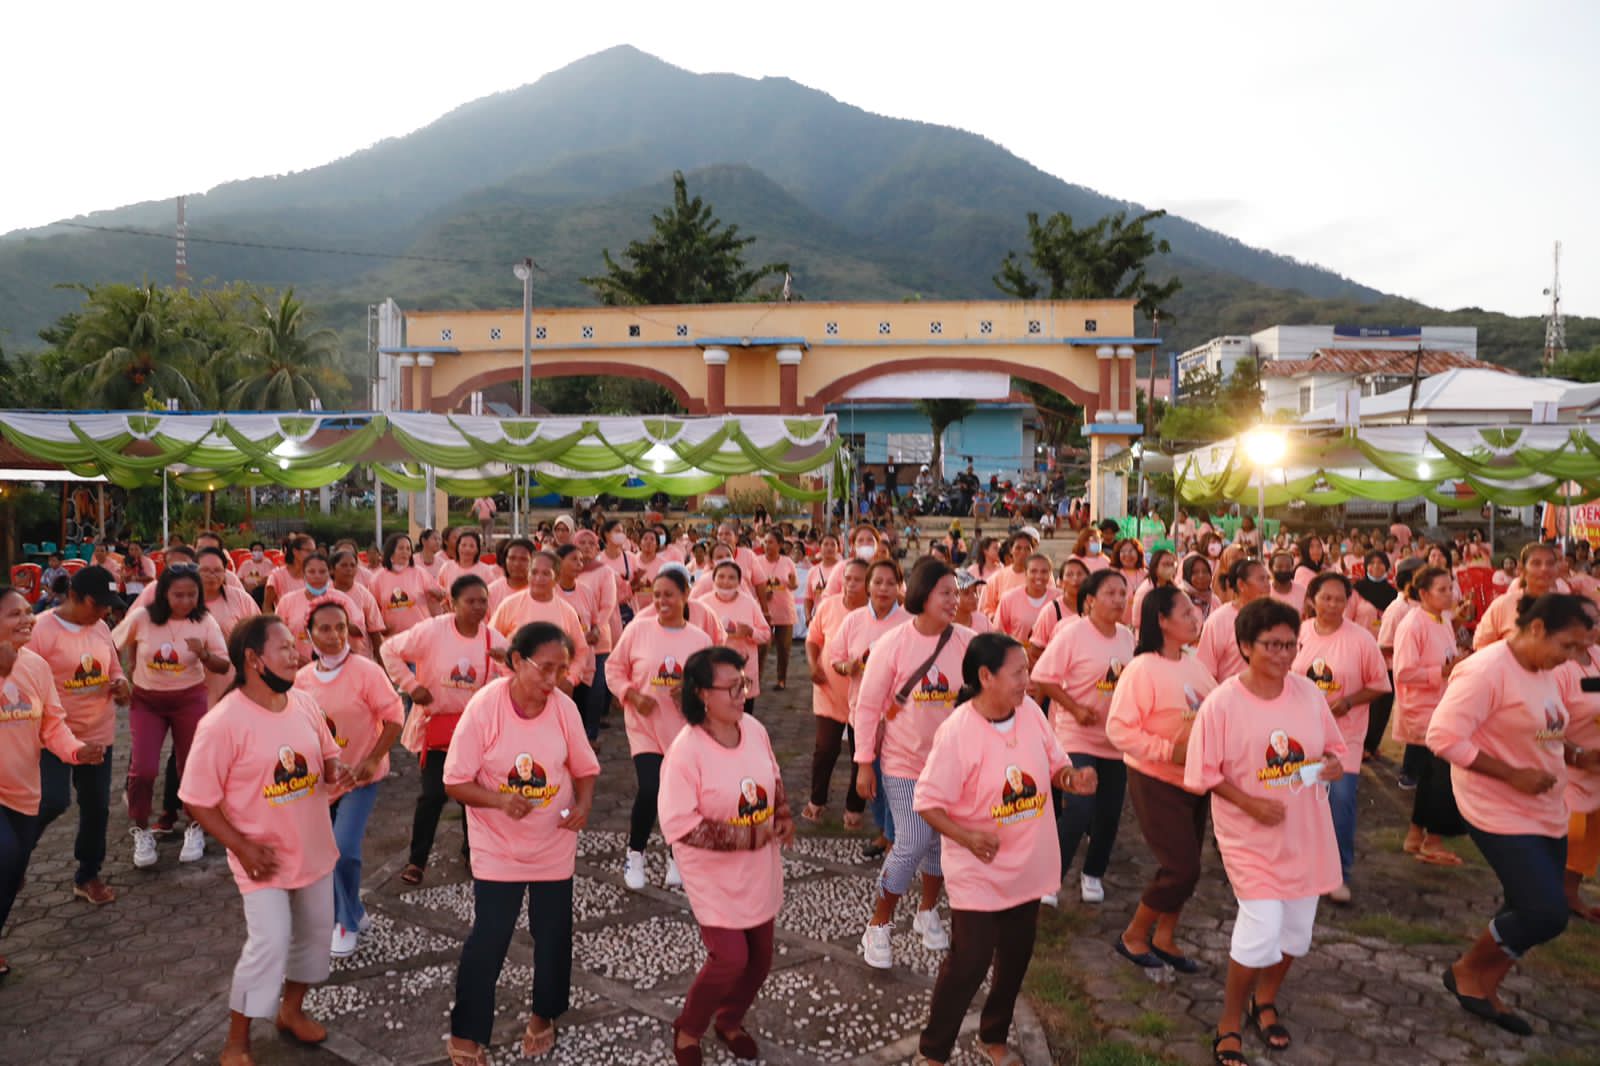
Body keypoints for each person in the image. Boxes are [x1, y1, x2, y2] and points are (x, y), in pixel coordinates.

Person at [912, 634, 1096, 1066]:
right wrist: (970, 838)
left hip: (1027, 864)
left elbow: (1055, 764)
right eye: (1018, 673)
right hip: (978, 867)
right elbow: (927, 803)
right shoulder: (957, 732)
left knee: (1015, 957)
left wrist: (1073, 780)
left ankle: (993, 1036)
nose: (1027, 682)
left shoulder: (1030, 712)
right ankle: (932, 1052)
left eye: (1027, 671)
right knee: (968, 962)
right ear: (985, 676)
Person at [180, 614, 355, 1066]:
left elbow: (328, 754)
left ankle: (290, 1011)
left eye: (294, 645)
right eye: (284, 647)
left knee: (316, 937)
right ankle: (236, 1040)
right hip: (262, 859)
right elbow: (196, 801)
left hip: (314, 846)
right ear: (253, 659)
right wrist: (240, 845)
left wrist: (338, 772)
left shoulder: (303, 703)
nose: (296, 653)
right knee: (270, 942)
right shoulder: (222, 723)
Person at [1185, 598, 1346, 1066]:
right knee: (1262, 926)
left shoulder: (1308, 694)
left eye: (1289, 644)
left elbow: (1333, 749)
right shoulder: (1223, 704)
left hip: (1306, 832)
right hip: (1249, 836)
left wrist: (1332, 765)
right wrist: (1250, 802)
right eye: (1270, 644)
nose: (1281, 654)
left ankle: (1266, 998)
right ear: (1244, 646)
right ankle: (1229, 1021)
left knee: (1296, 933)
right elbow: (1203, 774)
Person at [1428, 593, 1598, 1036]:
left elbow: (1544, 729)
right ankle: (1467, 972)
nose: (1577, 658)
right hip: (1497, 809)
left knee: (1521, 905)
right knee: (1546, 912)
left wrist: (1578, 754)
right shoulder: (1485, 671)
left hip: (1545, 807)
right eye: (1571, 646)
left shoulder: (1545, 668)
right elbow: (1443, 737)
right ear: (1538, 629)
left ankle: (1484, 986)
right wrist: (1513, 774)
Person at [442, 622, 598, 1064]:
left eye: (561, 670)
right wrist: (497, 800)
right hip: (497, 846)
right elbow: (454, 781)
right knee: (489, 937)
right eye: (544, 669)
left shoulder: (564, 709)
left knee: (553, 935)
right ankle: (467, 1035)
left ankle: (544, 1014)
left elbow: (584, 768)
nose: (553, 681)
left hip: (552, 842)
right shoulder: (484, 709)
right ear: (514, 662)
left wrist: (583, 804)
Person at [659, 646, 794, 1066]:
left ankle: (730, 1019)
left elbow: (771, 775)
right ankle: (690, 1027)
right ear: (701, 694)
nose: (741, 693)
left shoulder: (753, 728)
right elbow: (680, 824)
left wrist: (783, 813)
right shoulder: (686, 750)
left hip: (758, 870)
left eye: (744, 683)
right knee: (730, 957)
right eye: (731, 687)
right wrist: (749, 836)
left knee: (760, 960)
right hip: (714, 875)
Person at [853, 558, 972, 968]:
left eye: (957, 593)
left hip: (951, 767)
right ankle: (879, 924)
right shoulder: (893, 644)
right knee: (913, 840)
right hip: (903, 763)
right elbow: (867, 709)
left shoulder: (969, 642)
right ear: (922, 595)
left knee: (942, 842)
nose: (954, 601)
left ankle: (926, 911)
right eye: (946, 593)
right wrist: (864, 762)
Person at [1105, 585, 1217, 973]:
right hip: (1156, 779)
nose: (1195, 618)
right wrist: (1169, 751)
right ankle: (1133, 936)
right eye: (1185, 613)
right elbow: (1119, 730)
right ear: (1162, 621)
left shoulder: (1194, 663)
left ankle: (1165, 936)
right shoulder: (1142, 669)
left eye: (1195, 611)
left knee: (1188, 865)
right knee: (1181, 867)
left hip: (1194, 780)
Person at [0, 586, 106, 976]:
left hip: (24, 792)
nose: (27, 619)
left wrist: (77, 751)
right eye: (15, 614)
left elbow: (53, 726)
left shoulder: (36, 667)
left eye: (29, 611)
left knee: (12, 873)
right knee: (6, 857)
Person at [380, 574, 509, 886]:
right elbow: (389, 650)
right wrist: (411, 686)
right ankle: (417, 860)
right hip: (437, 729)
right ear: (452, 602)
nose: (478, 607)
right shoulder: (433, 631)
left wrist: (510, 663)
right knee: (433, 795)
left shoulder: (493, 639)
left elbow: (516, 672)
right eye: (470, 601)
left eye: (483, 601)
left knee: (474, 796)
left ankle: (472, 852)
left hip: (477, 732)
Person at [294, 600, 403, 958]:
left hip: (359, 776)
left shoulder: (365, 671)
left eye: (340, 627)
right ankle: (353, 908)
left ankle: (344, 923)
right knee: (323, 854)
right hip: (320, 781)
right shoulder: (302, 679)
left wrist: (374, 759)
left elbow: (394, 717)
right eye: (324, 628)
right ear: (309, 634)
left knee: (343, 850)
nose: (334, 635)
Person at [1032, 568, 1135, 905]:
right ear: (1090, 601)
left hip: (1114, 740)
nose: (1119, 600)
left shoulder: (1126, 637)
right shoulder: (1072, 634)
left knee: (1108, 812)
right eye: (1110, 593)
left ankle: (1093, 873)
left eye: (1123, 593)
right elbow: (1043, 677)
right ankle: (1049, 879)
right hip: (1076, 734)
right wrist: (1074, 708)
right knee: (1078, 806)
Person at [606, 569, 713, 891]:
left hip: (684, 730)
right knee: (651, 789)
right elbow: (613, 668)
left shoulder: (700, 639)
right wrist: (632, 695)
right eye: (656, 595)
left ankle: (675, 856)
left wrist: (692, 692)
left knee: (680, 795)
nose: (662, 601)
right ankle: (635, 854)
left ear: (685, 595)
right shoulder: (638, 630)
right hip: (644, 727)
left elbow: (712, 682)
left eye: (669, 594)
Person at [119, 565, 230, 869]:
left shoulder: (204, 621)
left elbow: (223, 665)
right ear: (163, 594)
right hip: (147, 702)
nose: (184, 601)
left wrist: (204, 655)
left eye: (191, 595)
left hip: (188, 700)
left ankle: (194, 826)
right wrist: (122, 674)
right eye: (177, 595)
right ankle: (141, 829)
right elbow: (113, 643)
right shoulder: (143, 618)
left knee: (191, 766)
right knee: (143, 769)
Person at [30, 567, 128, 905]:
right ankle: (13, 856)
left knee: (97, 806)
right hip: (52, 737)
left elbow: (114, 668)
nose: (104, 612)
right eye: (97, 604)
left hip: (96, 734)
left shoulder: (100, 627)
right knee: (50, 801)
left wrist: (121, 685)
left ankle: (88, 875)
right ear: (73, 597)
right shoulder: (40, 631)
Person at [1291, 573, 1390, 902]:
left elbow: (1380, 685)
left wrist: (1349, 701)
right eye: (1325, 598)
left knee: (1341, 803)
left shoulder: (1361, 640)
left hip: (1343, 739)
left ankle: (1338, 874)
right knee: (1301, 803)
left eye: (1339, 599)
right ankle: (1302, 869)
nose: (1332, 605)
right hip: (1302, 738)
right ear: (1312, 600)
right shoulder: (1300, 633)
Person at [1393, 566, 1470, 866]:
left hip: (1443, 706)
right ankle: (1432, 840)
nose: (1449, 594)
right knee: (1440, 778)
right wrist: (1441, 671)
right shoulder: (1413, 624)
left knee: (1430, 776)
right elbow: (1404, 672)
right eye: (1442, 590)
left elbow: (1445, 659)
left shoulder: (1442, 620)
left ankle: (1416, 836)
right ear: (1423, 593)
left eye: (1450, 588)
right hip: (1423, 711)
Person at [803, 558, 869, 826]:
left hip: (862, 698)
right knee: (825, 749)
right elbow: (813, 639)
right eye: (847, 578)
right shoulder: (828, 606)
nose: (850, 584)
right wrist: (812, 665)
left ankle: (855, 807)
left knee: (860, 753)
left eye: (858, 580)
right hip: (828, 690)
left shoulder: (873, 614)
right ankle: (816, 800)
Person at [1555, 602, 1600, 921]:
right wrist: (1576, 754)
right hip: (1566, 766)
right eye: (1586, 622)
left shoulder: (1597, 656)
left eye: (1596, 621)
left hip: (1596, 768)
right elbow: (1539, 731)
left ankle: (1570, 894)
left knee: (1590, 836)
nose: (1594, 628)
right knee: (1570, 832)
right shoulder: (1556, 667)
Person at [702, 562, 771, 715]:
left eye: (731, 578)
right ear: (713, 579)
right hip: (712, 670)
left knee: (743, 716)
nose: (726, 582)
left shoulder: (749, 603)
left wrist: (750, 632)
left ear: (739, 582)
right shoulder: (703, 604)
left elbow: (766, 634)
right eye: (721, 576)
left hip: (743, 671)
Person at [1196, 559, 1270, 682]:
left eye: (1268, 579)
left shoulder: (1276, 616)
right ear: (1241, 585)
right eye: (1261, 579)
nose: (1268, 585)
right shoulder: (1218, 621)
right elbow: (1205, 671)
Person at [371, 533, 444, 640]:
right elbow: (373, 609)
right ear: (391, 551)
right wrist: (381, 626)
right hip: (392, 640)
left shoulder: (420, 573)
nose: (405, 552)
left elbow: (440, 595)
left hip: (420, 637)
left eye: (408, 548)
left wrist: (439, 594)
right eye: (401, 548)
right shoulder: (377, 578)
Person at [751, 530, 798, 691]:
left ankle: (781, 680)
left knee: (783, 648)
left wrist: (791, 584)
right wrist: (763, 593)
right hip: (763, 612)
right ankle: (756, 679)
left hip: (784, 611)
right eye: (765, 542)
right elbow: (752, 586)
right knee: (761, 647)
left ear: (779, 545)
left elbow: (794, 584)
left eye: (771, 542)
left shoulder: (787, 562)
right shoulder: (757, 561)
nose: (767, 545)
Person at [994, 553, 1057, 655]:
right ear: (1025, 573)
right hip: (1018, 660)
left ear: (1050, 574)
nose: (1039, 576)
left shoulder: (1059, 598)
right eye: (1033, 571)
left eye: (1044, 571)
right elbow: (997, 632)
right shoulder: (1009, 598)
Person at [1267, 551, 1305, 617]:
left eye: (1288, 567)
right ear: (1271, 569)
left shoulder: (1302, 591)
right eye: (1279, 567)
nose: (1284, 570)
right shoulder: (1264, 590)